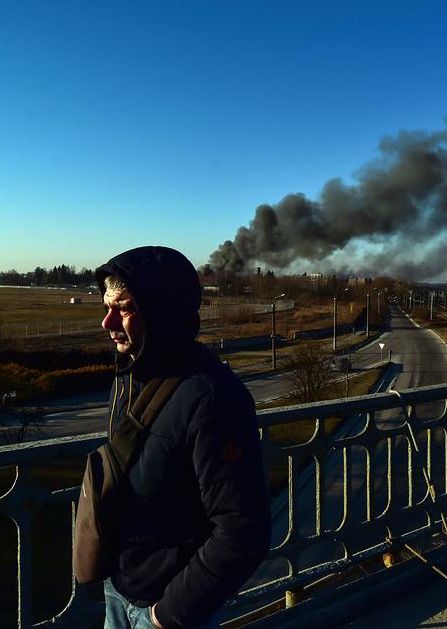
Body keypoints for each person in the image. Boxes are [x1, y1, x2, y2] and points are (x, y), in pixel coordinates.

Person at [95, 246, 271, 629]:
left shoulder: (212, 397)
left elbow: (244, 530)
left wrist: (168, 614)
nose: (107, 322)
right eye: (106, 306)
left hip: (164, 608)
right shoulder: (130, 377)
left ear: (163, 313)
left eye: (123, 308)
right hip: (119, 589)